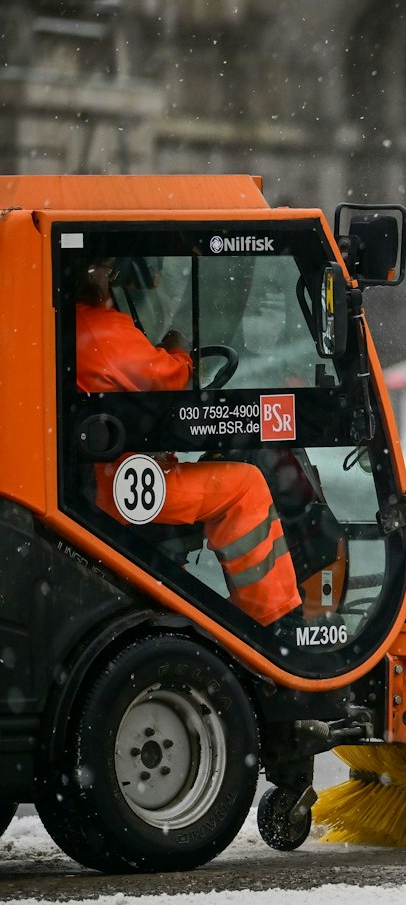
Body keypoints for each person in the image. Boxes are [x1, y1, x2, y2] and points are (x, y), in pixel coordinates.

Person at [73, 257, 302, 629]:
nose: (108, 279)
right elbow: (164, 379)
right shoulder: (97, 327)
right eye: (104, 270)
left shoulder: (74, 325)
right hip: (116, 485)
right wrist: (179, 351)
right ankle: (273, 623)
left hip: (106, 477)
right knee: (246, 487)